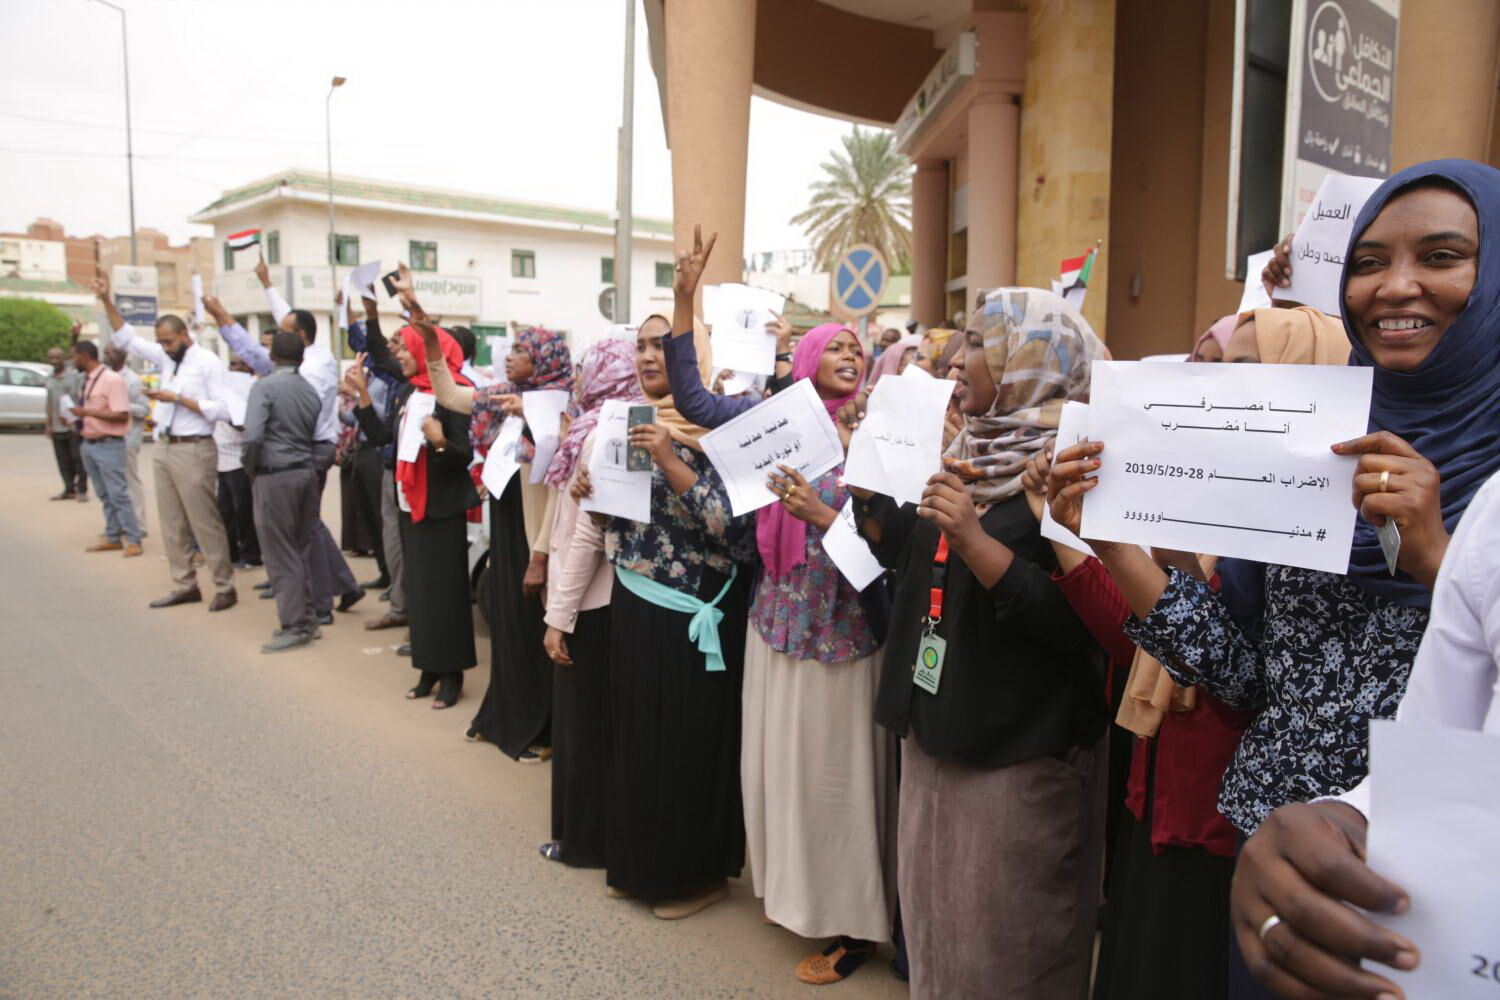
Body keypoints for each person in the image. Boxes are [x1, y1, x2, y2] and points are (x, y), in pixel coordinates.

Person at [1048, 158, 1500, 998]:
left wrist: (1442, 559)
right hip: (1277, 876)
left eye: (1441, 256)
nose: (1396, 286)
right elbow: (1243, 675)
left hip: (1446, 893)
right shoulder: (1316, 447)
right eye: (1370, 262)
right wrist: (1109, 541)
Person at [856, 287, 1109, 999]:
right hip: (937, 729)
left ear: (1028, 362)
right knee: (936, 939)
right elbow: (912, 562)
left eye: (976, 343)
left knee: (1007, 952)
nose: (955, 360)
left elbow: (1081, 626)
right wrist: (871, 487)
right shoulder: (970, 448)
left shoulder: (1075, 471)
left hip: (1017, 753)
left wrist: (973, 538)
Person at [663, 229, 895, 981]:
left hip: (842, 632)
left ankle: (852, 926)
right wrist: (684, 299)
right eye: (836, 346)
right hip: (777, 622)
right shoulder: (777, 414)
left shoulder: (879, 433)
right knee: (782, 774)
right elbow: (693, 400)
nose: (851, 354)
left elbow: (893, 538)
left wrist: (825, 513)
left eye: (857, 347)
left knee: (835, 783)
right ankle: (797, 897)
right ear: (806, 359)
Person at [1230, 468, 1500, 1000]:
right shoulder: (1495, 513)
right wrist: (1347, 816)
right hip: (1356, 876)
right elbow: (1442, 750)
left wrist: (1433, 555)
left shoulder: (1477, 498)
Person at [571, 305, 751, 920]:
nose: (650, 356)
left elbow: (736, 533)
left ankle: (694, 878)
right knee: (636, 745)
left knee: (684, 750)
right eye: (643, 346)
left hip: (691, 615)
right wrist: (592, 496)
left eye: (663, 345)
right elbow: (624, 523)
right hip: (635, 606)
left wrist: (673, 461)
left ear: (693, 357)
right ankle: (637, 866)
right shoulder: (629, 422)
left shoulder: (725, 430)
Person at [424, 301, 572, 761]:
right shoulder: (506, 396)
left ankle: (540, 730)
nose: (511, 356)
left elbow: (558, 493)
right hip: (506, 533)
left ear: (543, 359)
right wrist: (432, 344)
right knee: (508, 630)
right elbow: (452, 396)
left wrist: (540, 555)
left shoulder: (561, 410)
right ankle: (506, 717)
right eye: (513, 349)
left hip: (534, 541)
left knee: (531, 634)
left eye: (522, 351)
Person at [540, 337, 645, 868]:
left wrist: (559, 617)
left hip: (590, 601)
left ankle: (582, 842)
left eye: (587, 369)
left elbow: (587, 535)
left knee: (583, 729)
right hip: (601, 599)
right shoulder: (605, 426)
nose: (579, 378)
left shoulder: (606, 433)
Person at [207, 278, 363, 624]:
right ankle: (341, 586)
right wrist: (263, 288)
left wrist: (223, 317)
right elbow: (266, 341)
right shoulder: (303, 361)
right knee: (308, 527)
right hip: (302, 452)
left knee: (304, 530)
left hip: (307, 452)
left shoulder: (311, 369)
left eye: (281, 334)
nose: (275, 339)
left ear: (298, 338)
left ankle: (320, 604)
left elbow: (259, 363)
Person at [348, 300, 479, 708]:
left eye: (406, 348)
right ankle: (427, 669)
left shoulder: (453, 392)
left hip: (441, 509)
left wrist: (439, 442)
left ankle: (452, 674)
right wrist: (362, 394)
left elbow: (463, 455)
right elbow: (382, 437)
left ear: (424, 352)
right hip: (409, 505)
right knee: (420, 593)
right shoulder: (409, 392)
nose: (399, 355)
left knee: (446, 596)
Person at [97, 272, 237, 612]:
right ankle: (184, 584)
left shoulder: (207, 362)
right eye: (160, 342)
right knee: (172, 522)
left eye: (170, 342)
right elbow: (127, 339)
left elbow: (223, 409)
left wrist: (178, 399)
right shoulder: (166, 358)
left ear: (185, 336)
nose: (164, 347)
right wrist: (105, 299)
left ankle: (224, 585)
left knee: (203, 521)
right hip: (164, 446)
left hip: (194, 448)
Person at [242, 333, 323, 653]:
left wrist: (250, 466)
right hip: (304, 472)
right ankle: (308, 617)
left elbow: (252, 436)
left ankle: (295, 624)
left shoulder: (264, 387)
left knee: (280, 553)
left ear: (272, 356)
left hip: (275, 475)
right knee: (299, 549)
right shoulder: (309, 390)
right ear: (301, 358)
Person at [71, 340, 143, 557]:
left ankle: (133, 539)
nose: (72, 361)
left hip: (109, 444)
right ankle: (113, 536)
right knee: (104, 494)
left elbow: (122, 414)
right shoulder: (88, 379)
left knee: (118, 494)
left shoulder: (112, 380)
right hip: (89, 442)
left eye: (74, 356)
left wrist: (88, 413)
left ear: (84, 356)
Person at [215, 360, 260, 569]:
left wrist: (231, 415)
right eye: (232, 364)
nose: (235, 368)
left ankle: (251, 554)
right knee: (225, 511)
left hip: (239, 459)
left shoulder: (250, 390)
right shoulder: (222, 389)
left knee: (244, 510)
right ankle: (231, 553)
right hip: (222, 459)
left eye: (240, 364)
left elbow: (246, 425)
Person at [104, 345, 150, 528]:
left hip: (128, 439)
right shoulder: (104, 377)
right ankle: (120, 524)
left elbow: (144, 409)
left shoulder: (132, 380)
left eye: (109, 353)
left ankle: (139, 524)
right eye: (105, 353)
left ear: (122, 355)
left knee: (130, 481)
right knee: (113, 484)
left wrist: (121, 405)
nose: (106, 356)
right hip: (108, 437)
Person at [43, 343, 86, 501]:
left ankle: (82, 490)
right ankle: (68, 489)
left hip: (73, 425)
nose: (54, 360)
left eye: (57, 357)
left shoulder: (74, 376)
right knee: (62, 460)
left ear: (64, 359)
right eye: (51, 358)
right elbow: (49, 402)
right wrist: (48, 424)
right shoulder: (49, 378)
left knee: (78, 459)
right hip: (57, 425)